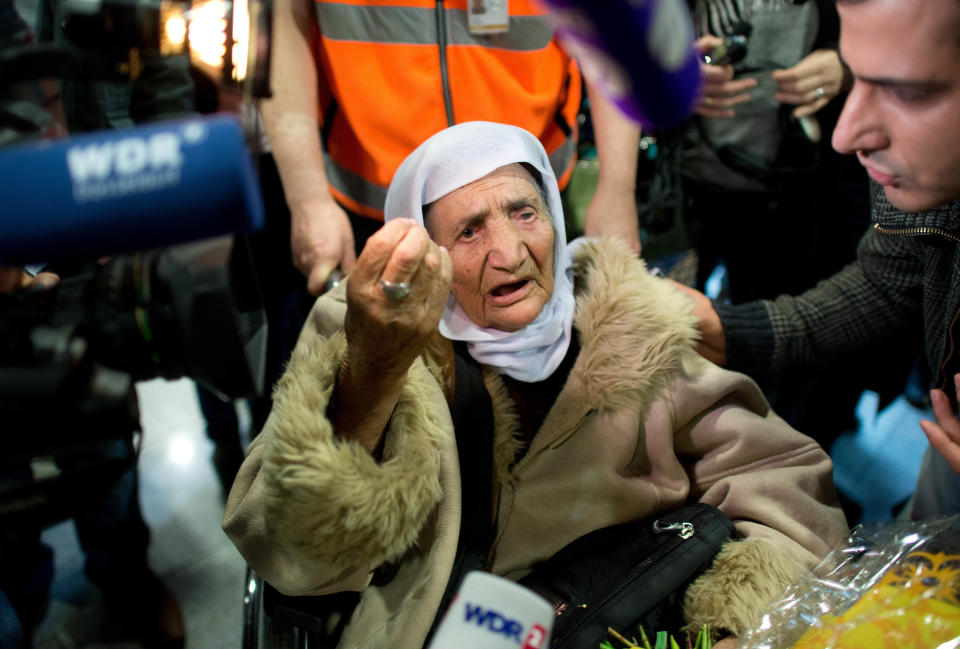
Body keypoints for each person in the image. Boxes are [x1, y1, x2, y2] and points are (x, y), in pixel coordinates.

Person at [223, 121, 849, 648]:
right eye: (469, 230)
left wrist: (739, 621)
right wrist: (378, 368)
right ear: (426, 249)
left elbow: (786, 483)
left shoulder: (627, 323)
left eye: (525, 212)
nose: (511, 252)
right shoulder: (358, 331)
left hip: (621, 618)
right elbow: (290, 557)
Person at [680, 0, 960, 520]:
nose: (845, 135)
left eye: (907, 92)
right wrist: (732, 330)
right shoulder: (927, 190)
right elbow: (885, 281)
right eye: (857, 79)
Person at [260, 0, 642, 296]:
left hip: (528, 195)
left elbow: (612, 25)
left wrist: (617, 188)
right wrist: (309, 201)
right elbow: (280, 22)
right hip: (373, 202)